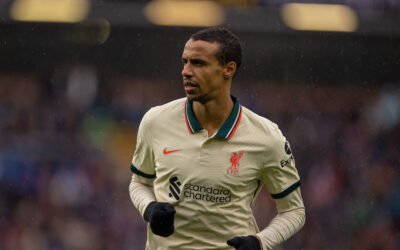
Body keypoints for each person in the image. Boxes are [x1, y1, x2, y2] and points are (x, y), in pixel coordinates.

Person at [129, 27, 305, 250]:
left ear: (228, 69)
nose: (186, 71)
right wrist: (148, 207)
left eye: (198, 63)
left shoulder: (267, 137)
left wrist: (260, 242)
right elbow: (139, 183)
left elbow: (293, 210)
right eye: (185, 62)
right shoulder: (156, 121)